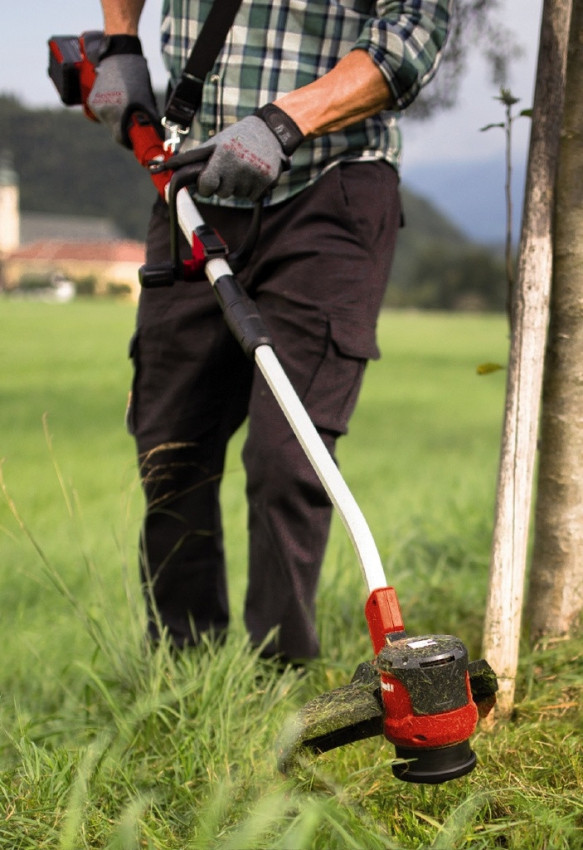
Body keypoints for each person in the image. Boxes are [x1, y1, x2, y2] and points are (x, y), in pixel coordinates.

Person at [88, 0, 452, 663]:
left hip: (329, 185)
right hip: (193, 179)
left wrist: (286, 122)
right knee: (169, 446)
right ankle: (183, 670)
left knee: (289, 458)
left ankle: (278, 678)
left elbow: (414, 34)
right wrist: (120, 43)